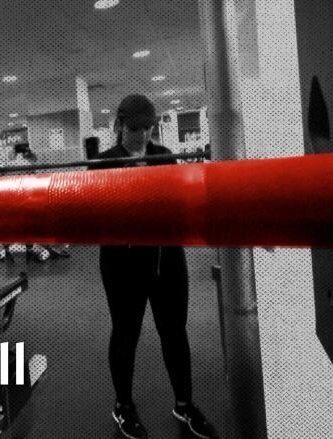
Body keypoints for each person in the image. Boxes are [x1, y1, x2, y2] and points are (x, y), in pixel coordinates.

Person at [88, 95, 214, 439]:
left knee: (175, 332)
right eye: (134, 129)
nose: (142, 135)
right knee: (125, 334)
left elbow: (185, 202)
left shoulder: (164, 158)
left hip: (166, 260)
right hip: (122, 265)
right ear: (118, 126)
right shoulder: (102, 163)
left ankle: (185, 404)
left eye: (147, 128)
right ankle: (123, 406)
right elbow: (92, 214)